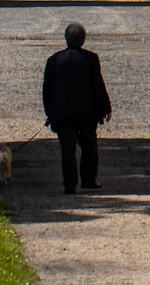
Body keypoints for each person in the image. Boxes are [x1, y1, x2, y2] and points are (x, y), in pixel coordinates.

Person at [42, 22, 112, 195]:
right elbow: (98, 86)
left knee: (67, 149)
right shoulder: (91, 59)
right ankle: (88, 180)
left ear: (66, 39)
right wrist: (105, 107)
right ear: (83, 40)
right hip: (87, 111)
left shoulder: (53, 60)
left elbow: (47, 89)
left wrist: (49, 112)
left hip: (63, 112)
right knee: (89, 145)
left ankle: (69, 184)